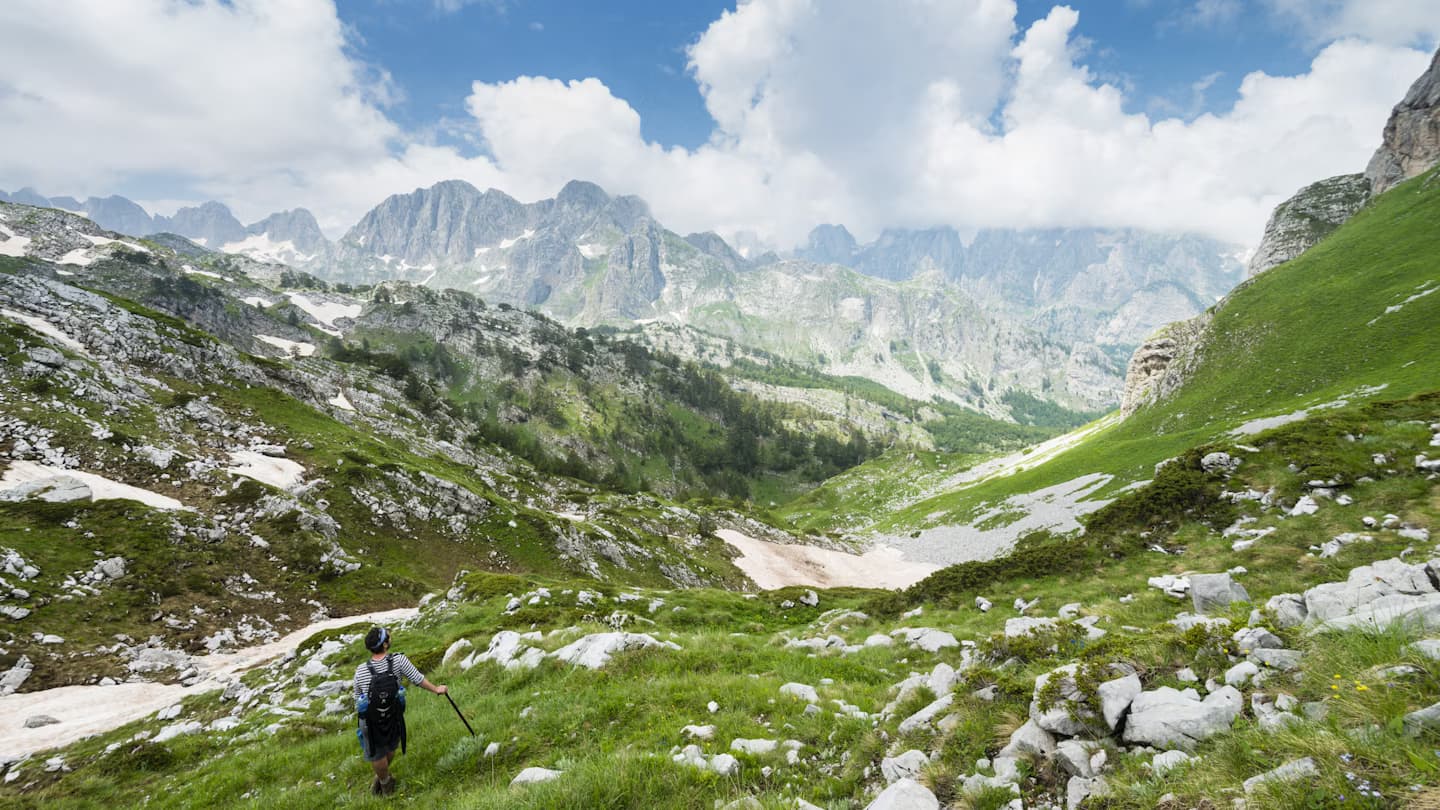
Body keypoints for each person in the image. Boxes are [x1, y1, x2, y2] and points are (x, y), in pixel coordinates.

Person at [353, 626, 447, 796]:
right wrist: (436, 689)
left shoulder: (360, 670)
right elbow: (417, 679)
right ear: (385, 645)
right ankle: (386, 784)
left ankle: (382, 779)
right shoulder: (399, 660)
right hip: (392, 713)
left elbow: (357, 697)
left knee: (376, 752)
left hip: (369, 719)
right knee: (390, 747)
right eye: (388, 637)